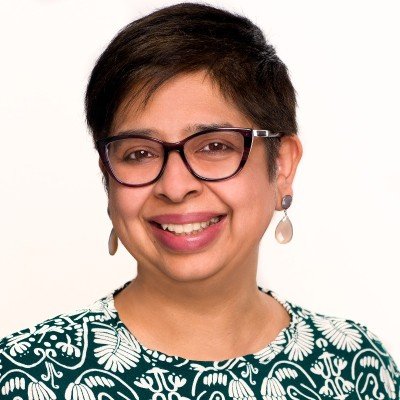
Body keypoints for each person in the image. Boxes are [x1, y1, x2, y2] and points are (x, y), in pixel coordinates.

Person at [0, 2, 399, 399]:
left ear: (282, 167)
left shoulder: (356, 366)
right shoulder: (24, 375)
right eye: (138, 153)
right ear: (108, 176)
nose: (175, 187)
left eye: (213, 146)